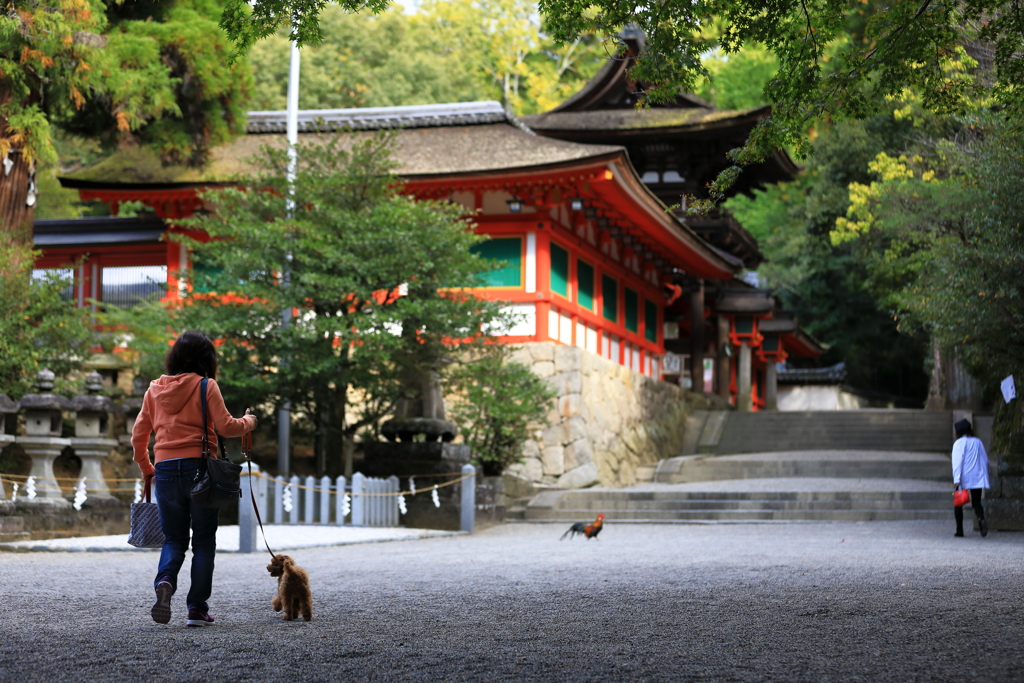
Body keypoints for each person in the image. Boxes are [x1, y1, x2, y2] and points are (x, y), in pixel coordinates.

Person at [132, 331, 257, 626]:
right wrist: (249, 422)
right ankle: (197, 609)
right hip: (201, 469)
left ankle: (164, 581)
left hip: (164, 470)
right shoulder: (206, 386)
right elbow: (227, 427)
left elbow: (138, 437)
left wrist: (147, 469)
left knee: (174, 538)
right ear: (206, 359)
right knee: (203, 541)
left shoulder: (153, 391)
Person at [952, 418, 989, 538]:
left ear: (958, 432)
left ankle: (959, 530)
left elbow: (957, 462)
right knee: (977, 502)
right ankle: (981, 519)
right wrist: (985, 475)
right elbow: (985, 460)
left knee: (958, 504)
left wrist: (956, 479)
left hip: (963, 477)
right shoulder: (978, 441)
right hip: (977, 476)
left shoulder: (958, 443)